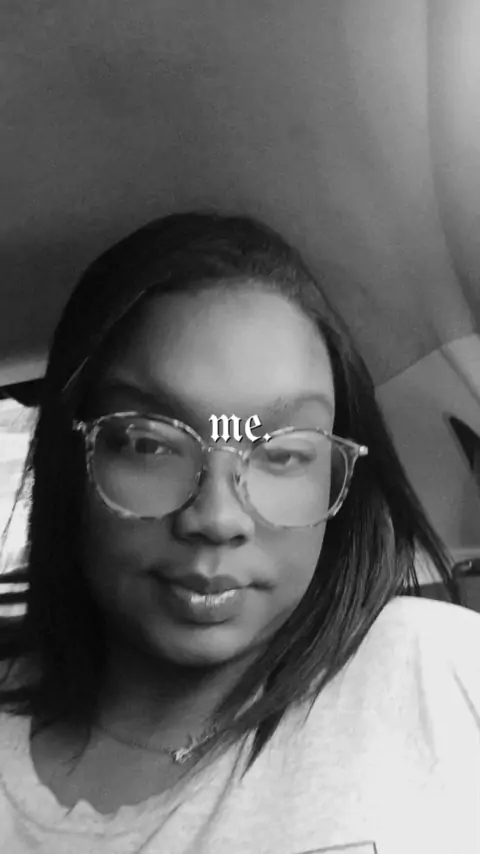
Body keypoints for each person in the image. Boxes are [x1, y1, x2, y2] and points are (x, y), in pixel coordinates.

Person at [0, 212, 478, 854]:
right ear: (72, 460)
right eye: (148, 443)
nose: (217, 518)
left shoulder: (442, 671)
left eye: (283, 453)